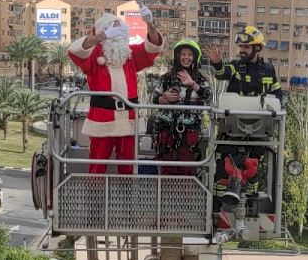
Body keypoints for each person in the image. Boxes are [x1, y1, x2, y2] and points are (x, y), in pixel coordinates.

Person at [67, 9, 164, 174]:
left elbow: (153, 48)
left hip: (128, 119)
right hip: (102, 118)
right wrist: (103, 37)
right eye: (113, 29)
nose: (117, 34)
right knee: (97, 163)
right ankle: (95, 198)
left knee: (128, 165)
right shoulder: (94, 54)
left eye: (120, 30)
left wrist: (149, 24)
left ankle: (125, 197)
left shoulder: (130, 54)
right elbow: (75, 51)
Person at [206, 27, 282, 207]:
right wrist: (217, 64)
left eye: (246, 47)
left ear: (257, 48)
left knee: (253, 170)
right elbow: (222, 74)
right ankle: (218, 205)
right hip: (231, 130)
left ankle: (250, 203)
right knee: (224, 169)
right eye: (241, 47)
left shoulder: (268, 70)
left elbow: (278, 95)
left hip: (259, 131)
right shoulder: (235, 66)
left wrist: (278, 108)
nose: (242, 50)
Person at [150, 38, 212, 175]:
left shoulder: (200, 79)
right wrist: (164, 98)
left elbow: (208, 96)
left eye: (189, 54)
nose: (186, 57)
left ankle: (186, 194)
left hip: (189, 130)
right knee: (166, 167)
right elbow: (153, 99)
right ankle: (166, 195)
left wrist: (193, 84)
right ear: (178, 56)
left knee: (187, 169)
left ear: (195, 57)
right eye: (183, 54)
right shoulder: (166, 78)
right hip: (167, 128)